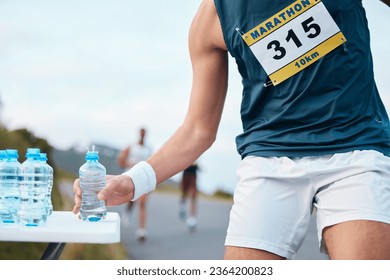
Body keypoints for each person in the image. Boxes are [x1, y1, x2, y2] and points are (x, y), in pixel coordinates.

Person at [74, 0, 390, 259]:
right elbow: (199, 129)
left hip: (356, 148)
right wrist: (132, 181)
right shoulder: (212, 17)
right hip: (269, 160)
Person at [117, 127, 152, 242]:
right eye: (141, 133)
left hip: (143, 178)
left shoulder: (148, 149)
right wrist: (131, 165)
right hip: (130, 177)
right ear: (139, 134)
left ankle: (141, 231)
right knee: (131, 200)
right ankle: (128, 211)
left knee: (142, 203)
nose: (142, 135)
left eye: (144, 133)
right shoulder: (131, 146)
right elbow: (121, 160)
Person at [179, 162, 199, 232]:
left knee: (193, 196)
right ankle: (182, 207)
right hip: (186, 172)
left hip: (193, 173)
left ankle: (192, 218)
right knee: (184, 194)